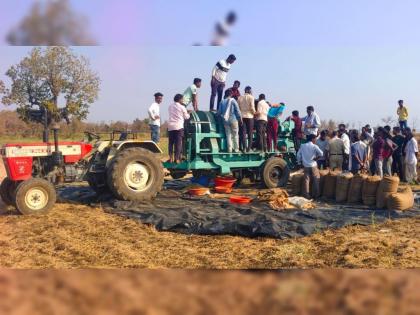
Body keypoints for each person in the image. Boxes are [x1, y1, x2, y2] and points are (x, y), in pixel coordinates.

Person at [297, 134, 323, 199]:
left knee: (306, 180)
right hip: (313, 165)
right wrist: (316, 158)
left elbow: (298, 155)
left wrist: (299, 162)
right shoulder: (314, 146)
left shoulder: (302, 146)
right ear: (312, 139)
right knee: (316, 180)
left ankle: (306, 195)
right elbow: (321, 153)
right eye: (315, 139)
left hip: (306, 165)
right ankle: (315, 195)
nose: (315, 140)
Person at [218, 89, 242, 153]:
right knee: (235, 135)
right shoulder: (233, 100)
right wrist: (240, 119)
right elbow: (237, 110)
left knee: (228, 135)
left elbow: (219, 113)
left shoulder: (222, 102)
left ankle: (229, 150)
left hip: (225, 120)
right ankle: (236, 149)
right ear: (231, 94)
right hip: (233, 119)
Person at [168, 94, 190, 163]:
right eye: (182, 99)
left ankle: (171, 158)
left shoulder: (170, 106)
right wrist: (188, 113)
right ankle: (177, 159)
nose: (182, 100)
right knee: (178, 143)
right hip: (179, 127)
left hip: (171, 127)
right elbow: (186, 117)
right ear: (180, 99)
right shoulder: (182, 107)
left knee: (171, 143)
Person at [237, 86, 256, 152]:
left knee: (243, 133)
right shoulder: (251, 97)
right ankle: (249, 148)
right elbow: (252, 107)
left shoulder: (239, 98)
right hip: (250, 116)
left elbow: (238, 108)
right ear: (250, 91)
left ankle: (244, 147)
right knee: (250, 133)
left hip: (242, 116)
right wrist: (254, 113)